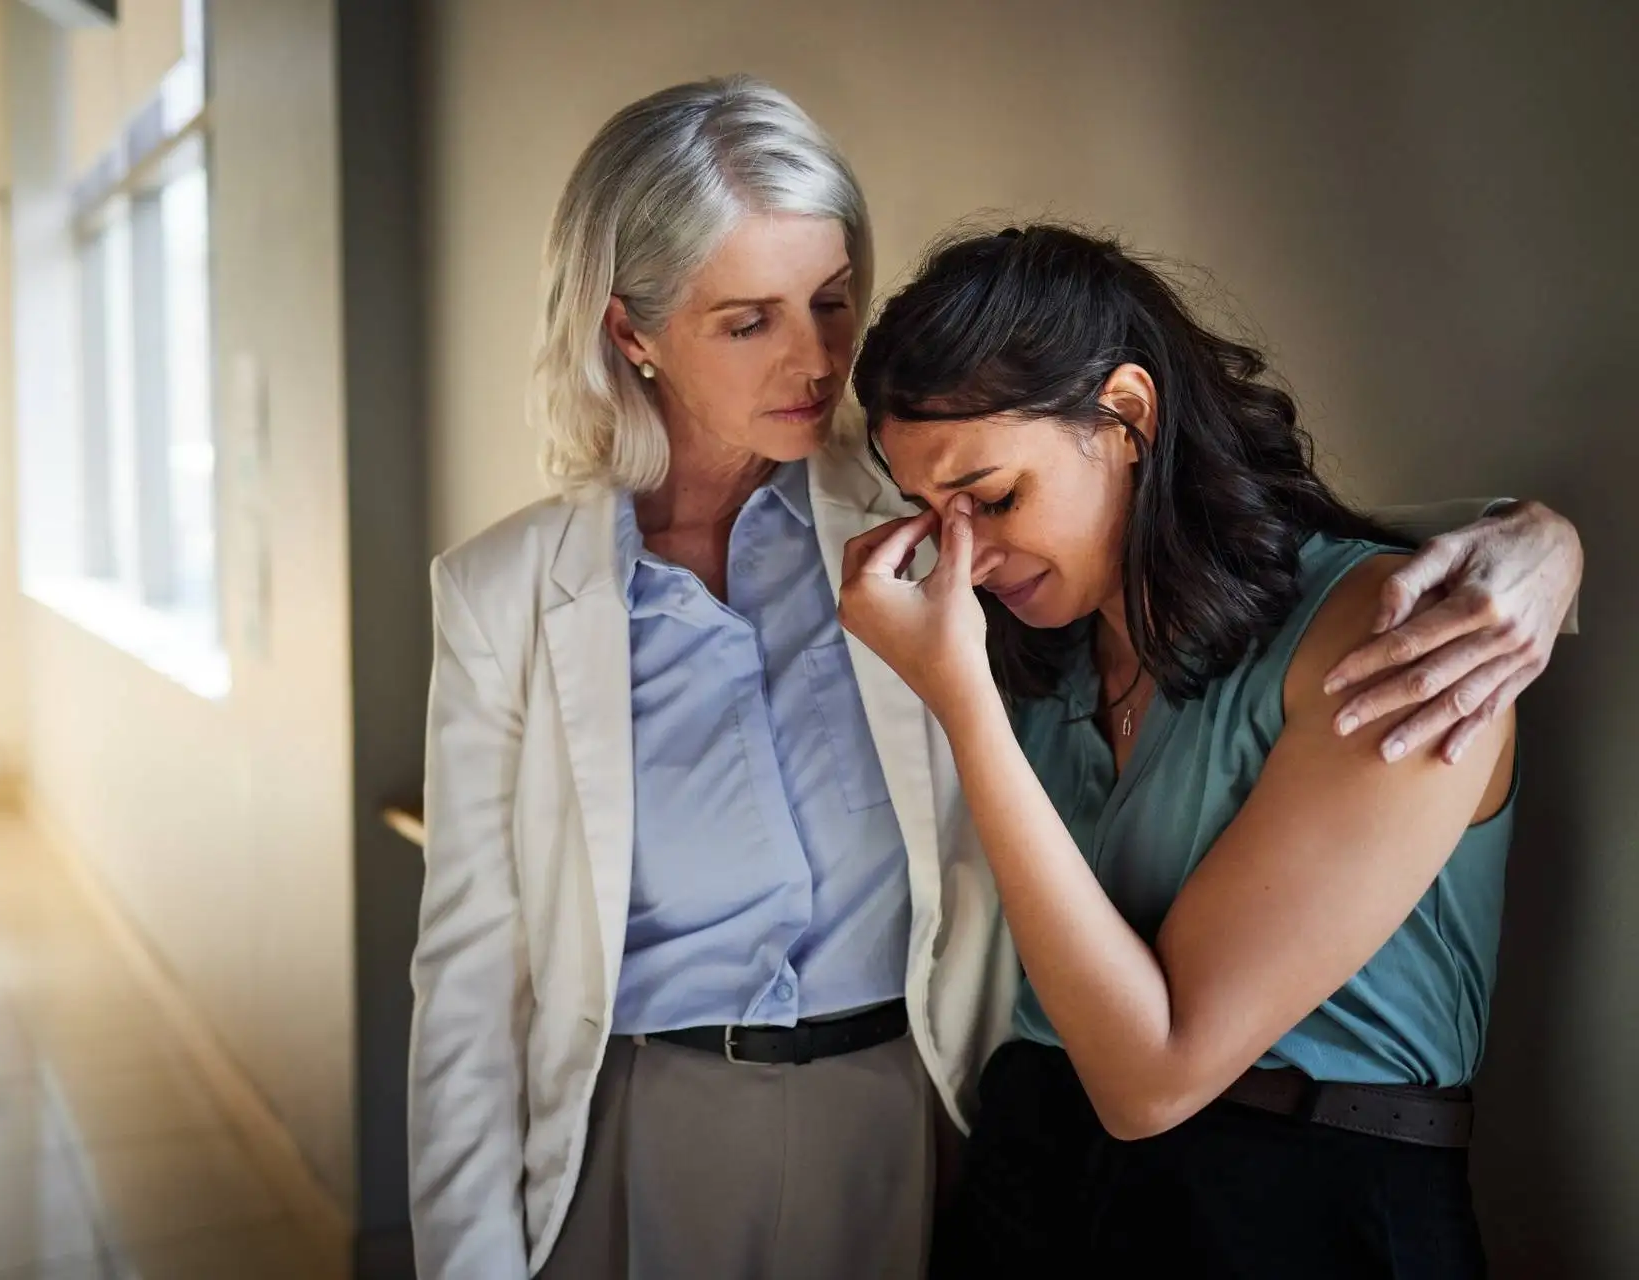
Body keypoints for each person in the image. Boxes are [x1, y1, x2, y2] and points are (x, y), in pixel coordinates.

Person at [408, 79, 1583, 1279]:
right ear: (632, 331)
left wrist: (1538, 543)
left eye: (831, 301)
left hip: (940, 1126)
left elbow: (1266, 541)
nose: (819, 361)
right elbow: (466, 982)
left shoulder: (932, 540)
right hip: (683, 1124)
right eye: (749, 319)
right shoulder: (534, 591)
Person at [837, 223, 1574, 1278]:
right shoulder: (1040, 651)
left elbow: (1152, 1078)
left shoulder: (1395, 634)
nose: (969, 558)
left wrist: (1547, 536)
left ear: (1128, 413)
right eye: (927, 513)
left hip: (1307, 1203)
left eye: (992, 497)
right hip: (1031, 1176)